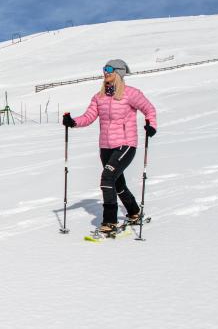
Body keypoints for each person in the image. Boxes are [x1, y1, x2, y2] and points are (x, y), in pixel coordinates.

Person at [63, 59, 157, 234]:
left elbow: (149, 109)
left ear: (119, 72)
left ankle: (110, 221)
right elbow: (89, 117)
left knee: (107, 178)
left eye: (110, 69)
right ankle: (134, 213)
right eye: (105, 69)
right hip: (105, 147)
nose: (106, 72)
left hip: (126, 144)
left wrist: (151, 125)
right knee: (117, 182)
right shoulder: (99, 97)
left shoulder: (131, 94)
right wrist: (73, 122)